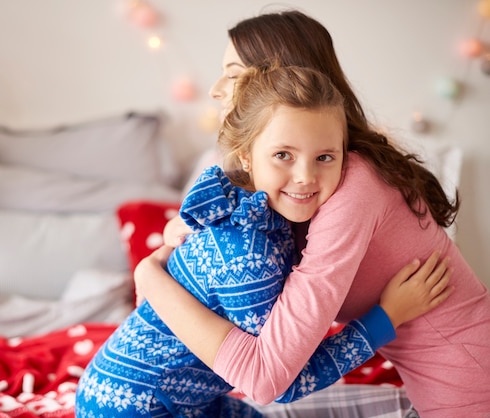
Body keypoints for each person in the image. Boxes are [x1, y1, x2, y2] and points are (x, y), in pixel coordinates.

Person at [134, 10, 490, 418]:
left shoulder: (354, 187)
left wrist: (149, 276)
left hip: (471, 387)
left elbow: (264, 378)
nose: (216, 90)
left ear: (283, 82)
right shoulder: (302, 185)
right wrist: (186, 223)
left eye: (233, 75)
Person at [74, 65, 450, 417]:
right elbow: (277, 382)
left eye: (324, 157)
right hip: (130, 407)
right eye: (283, 155)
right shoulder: (249, 253)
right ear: (247, 158)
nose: (304, 176)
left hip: (191, 396)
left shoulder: (263, 210)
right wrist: (386, 318)